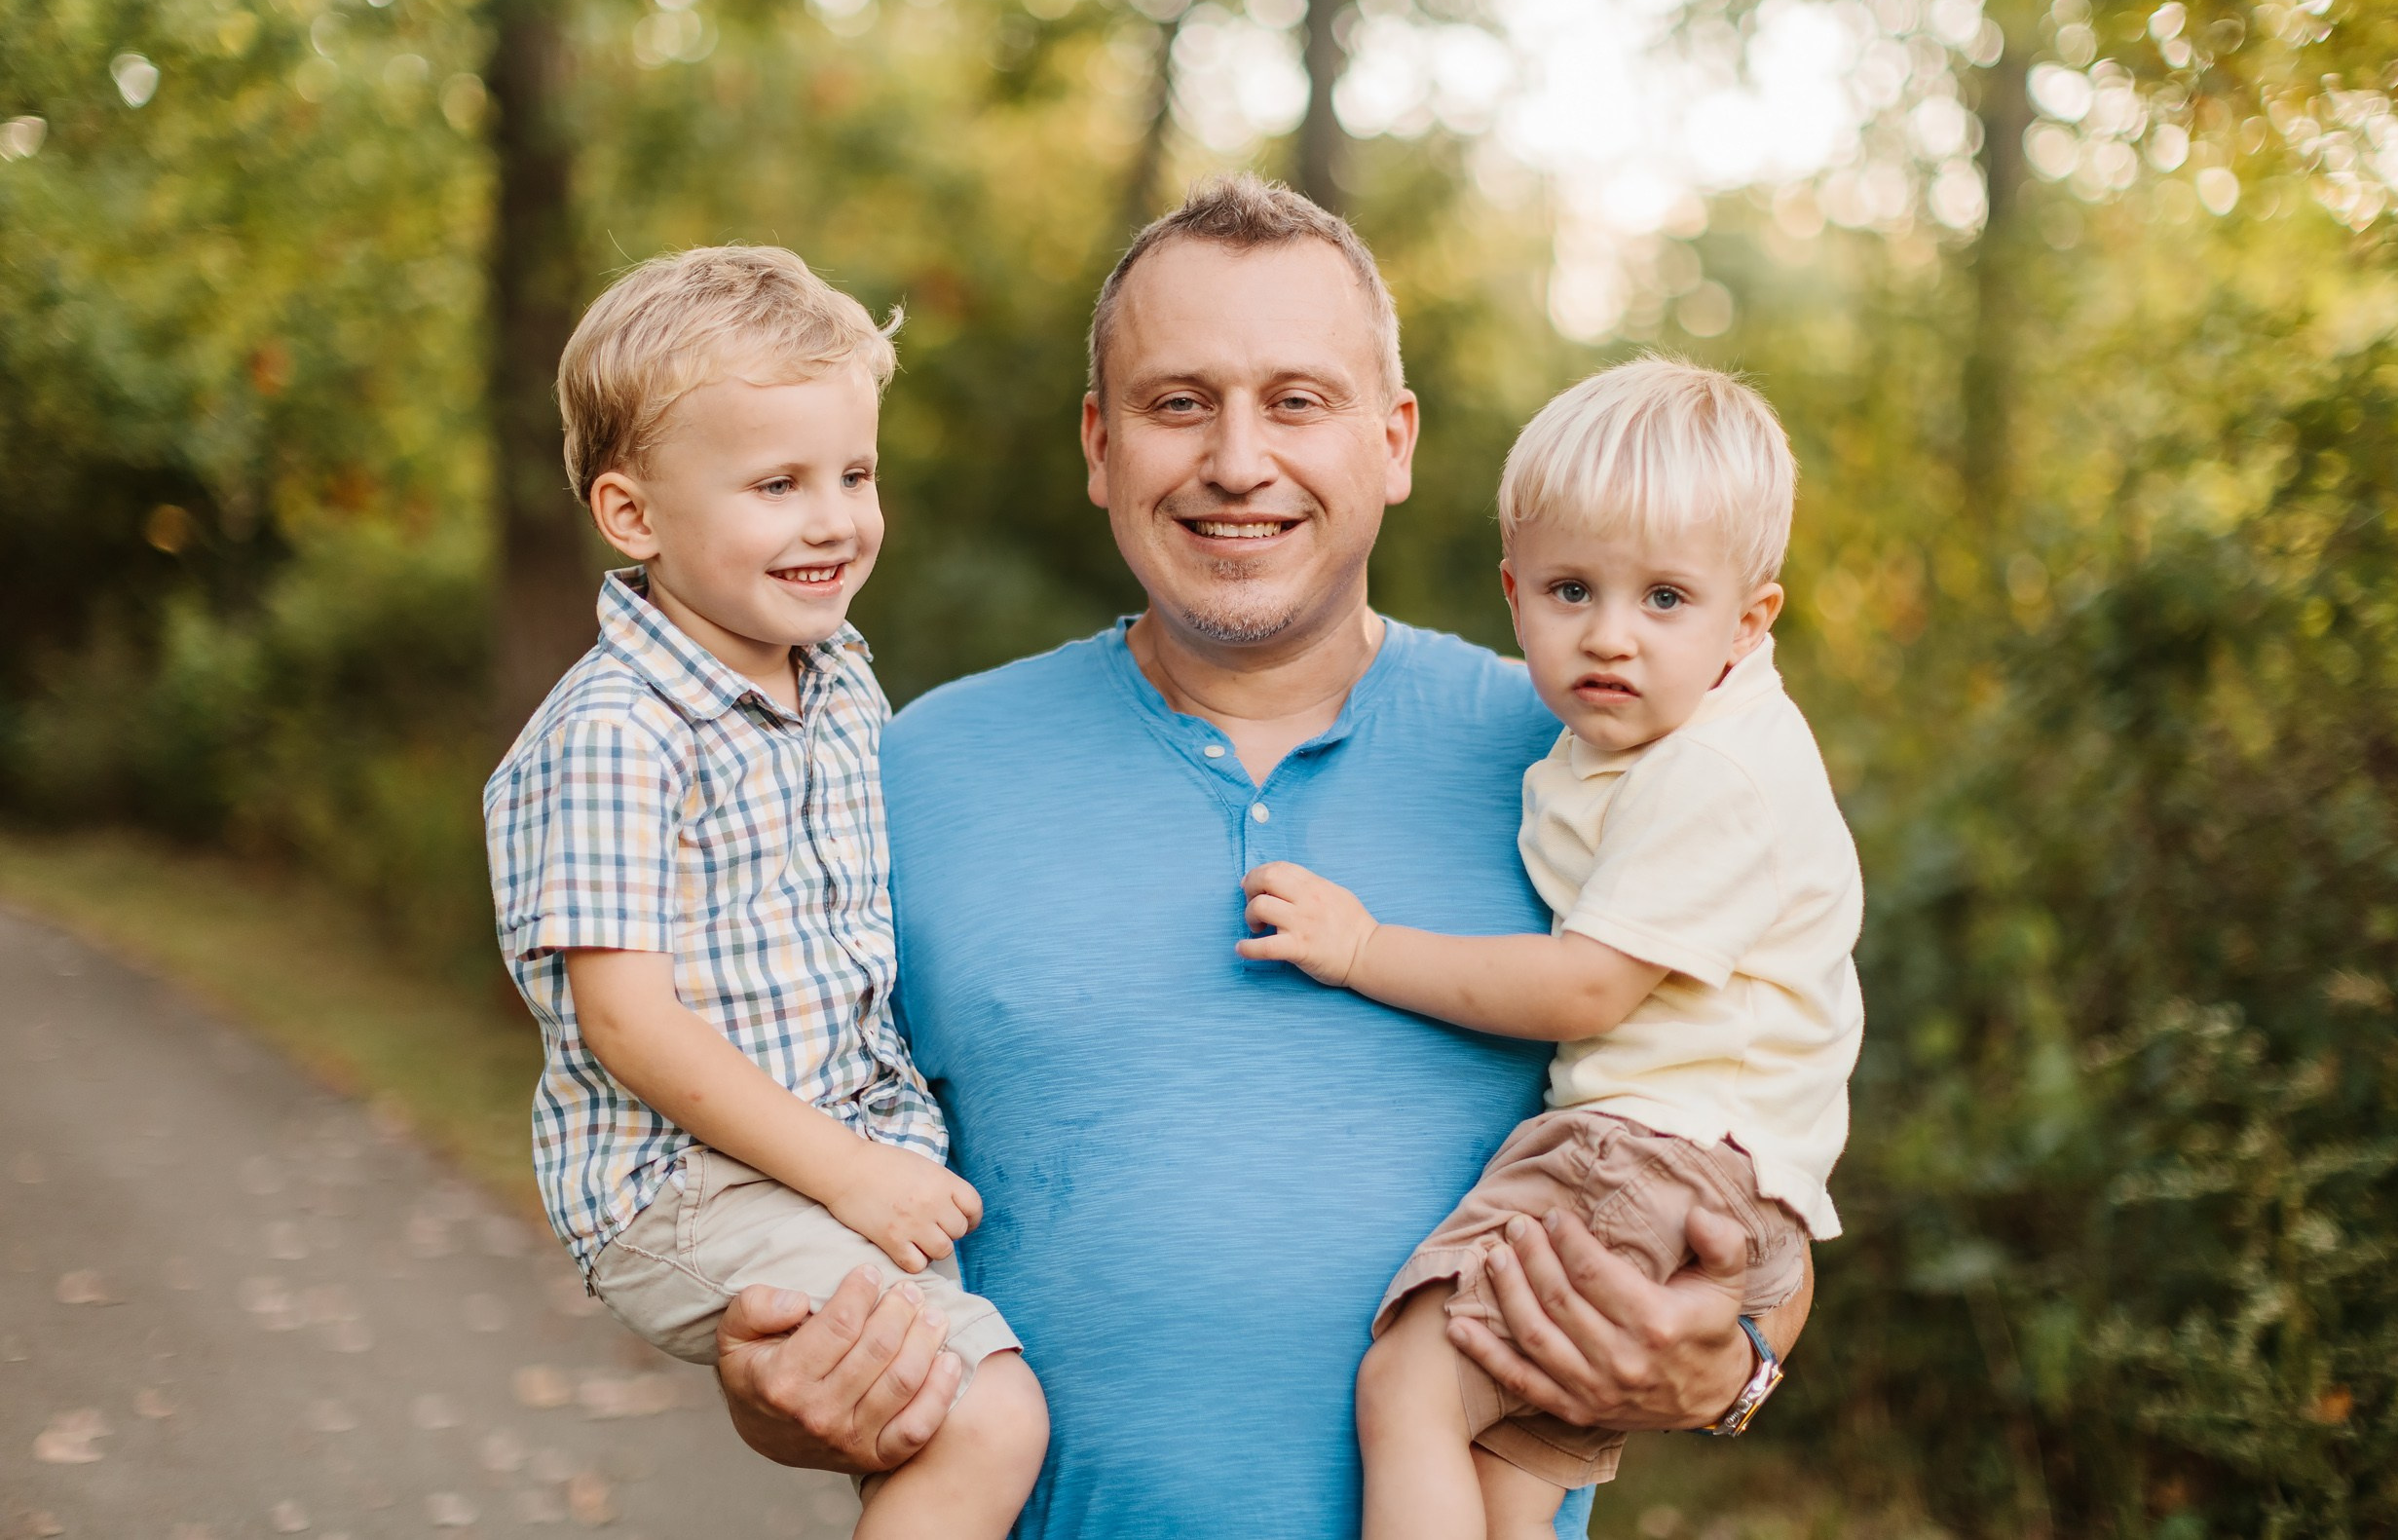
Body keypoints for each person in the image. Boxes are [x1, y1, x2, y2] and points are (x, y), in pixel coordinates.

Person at [711, 177, 1817, 1538]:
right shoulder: (912, 772)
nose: (1239, 459)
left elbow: (1749, 1122)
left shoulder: (1596, 765)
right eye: (1181, 403)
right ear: (1100, 444)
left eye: (1299, 400)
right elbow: (775, 1181)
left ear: (1395, 440)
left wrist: (1740, 1354)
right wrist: (776, 1380)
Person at [1240, 359, 1863, 1539]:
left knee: (1410, 1388)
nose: (1610, 639)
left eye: (1665, 600)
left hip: (1651, 1153)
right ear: (1513, 592)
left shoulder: (1713, 771)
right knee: (1507, 1488)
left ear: (1750, 618)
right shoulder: (1619, 747)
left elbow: (1585, 987)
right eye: (1573, 590)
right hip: (1699, 1164)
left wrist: (1362, 947)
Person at [482, 246, 1047, 1539]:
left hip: (835, 1146)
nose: (836, 516)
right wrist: (852, 1172)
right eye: (778, 482)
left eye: (856, 473)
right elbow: (628, 1021)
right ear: (634, 516)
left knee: (945, 1412)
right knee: (982, 1412)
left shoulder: (837, 674)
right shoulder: (621, 727)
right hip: (691, 1181)